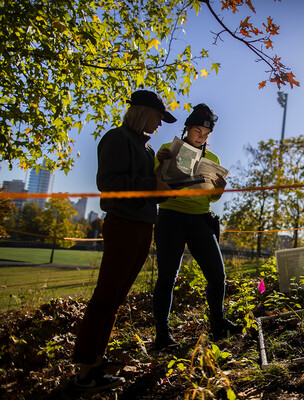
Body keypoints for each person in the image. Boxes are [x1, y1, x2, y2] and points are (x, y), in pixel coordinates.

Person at [72, 90, 176, 392]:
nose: (160, 125)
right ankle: (84, 371)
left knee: (116, 298)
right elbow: (109, 183)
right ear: (143, 112)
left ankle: (97, 359)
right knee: (106, 295)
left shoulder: (144, 148)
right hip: (124, 226)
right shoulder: (118, 138)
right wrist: (151, 185)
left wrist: (160, 174)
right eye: (158, 117)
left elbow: (144, 185)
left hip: (143, 226)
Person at [152, 103, 241, 350]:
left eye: (206, 134)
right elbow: (154, 186)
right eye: (197, 132)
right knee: (167, 277)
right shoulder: (166, 150)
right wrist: (160, 165)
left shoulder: (212, 159)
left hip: (201, 218)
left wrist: (219, 190)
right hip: (171, 217)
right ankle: (162, 334)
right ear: (187, 129)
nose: (201, 137)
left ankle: (218, 323)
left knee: (217, 275)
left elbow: (211, 197)